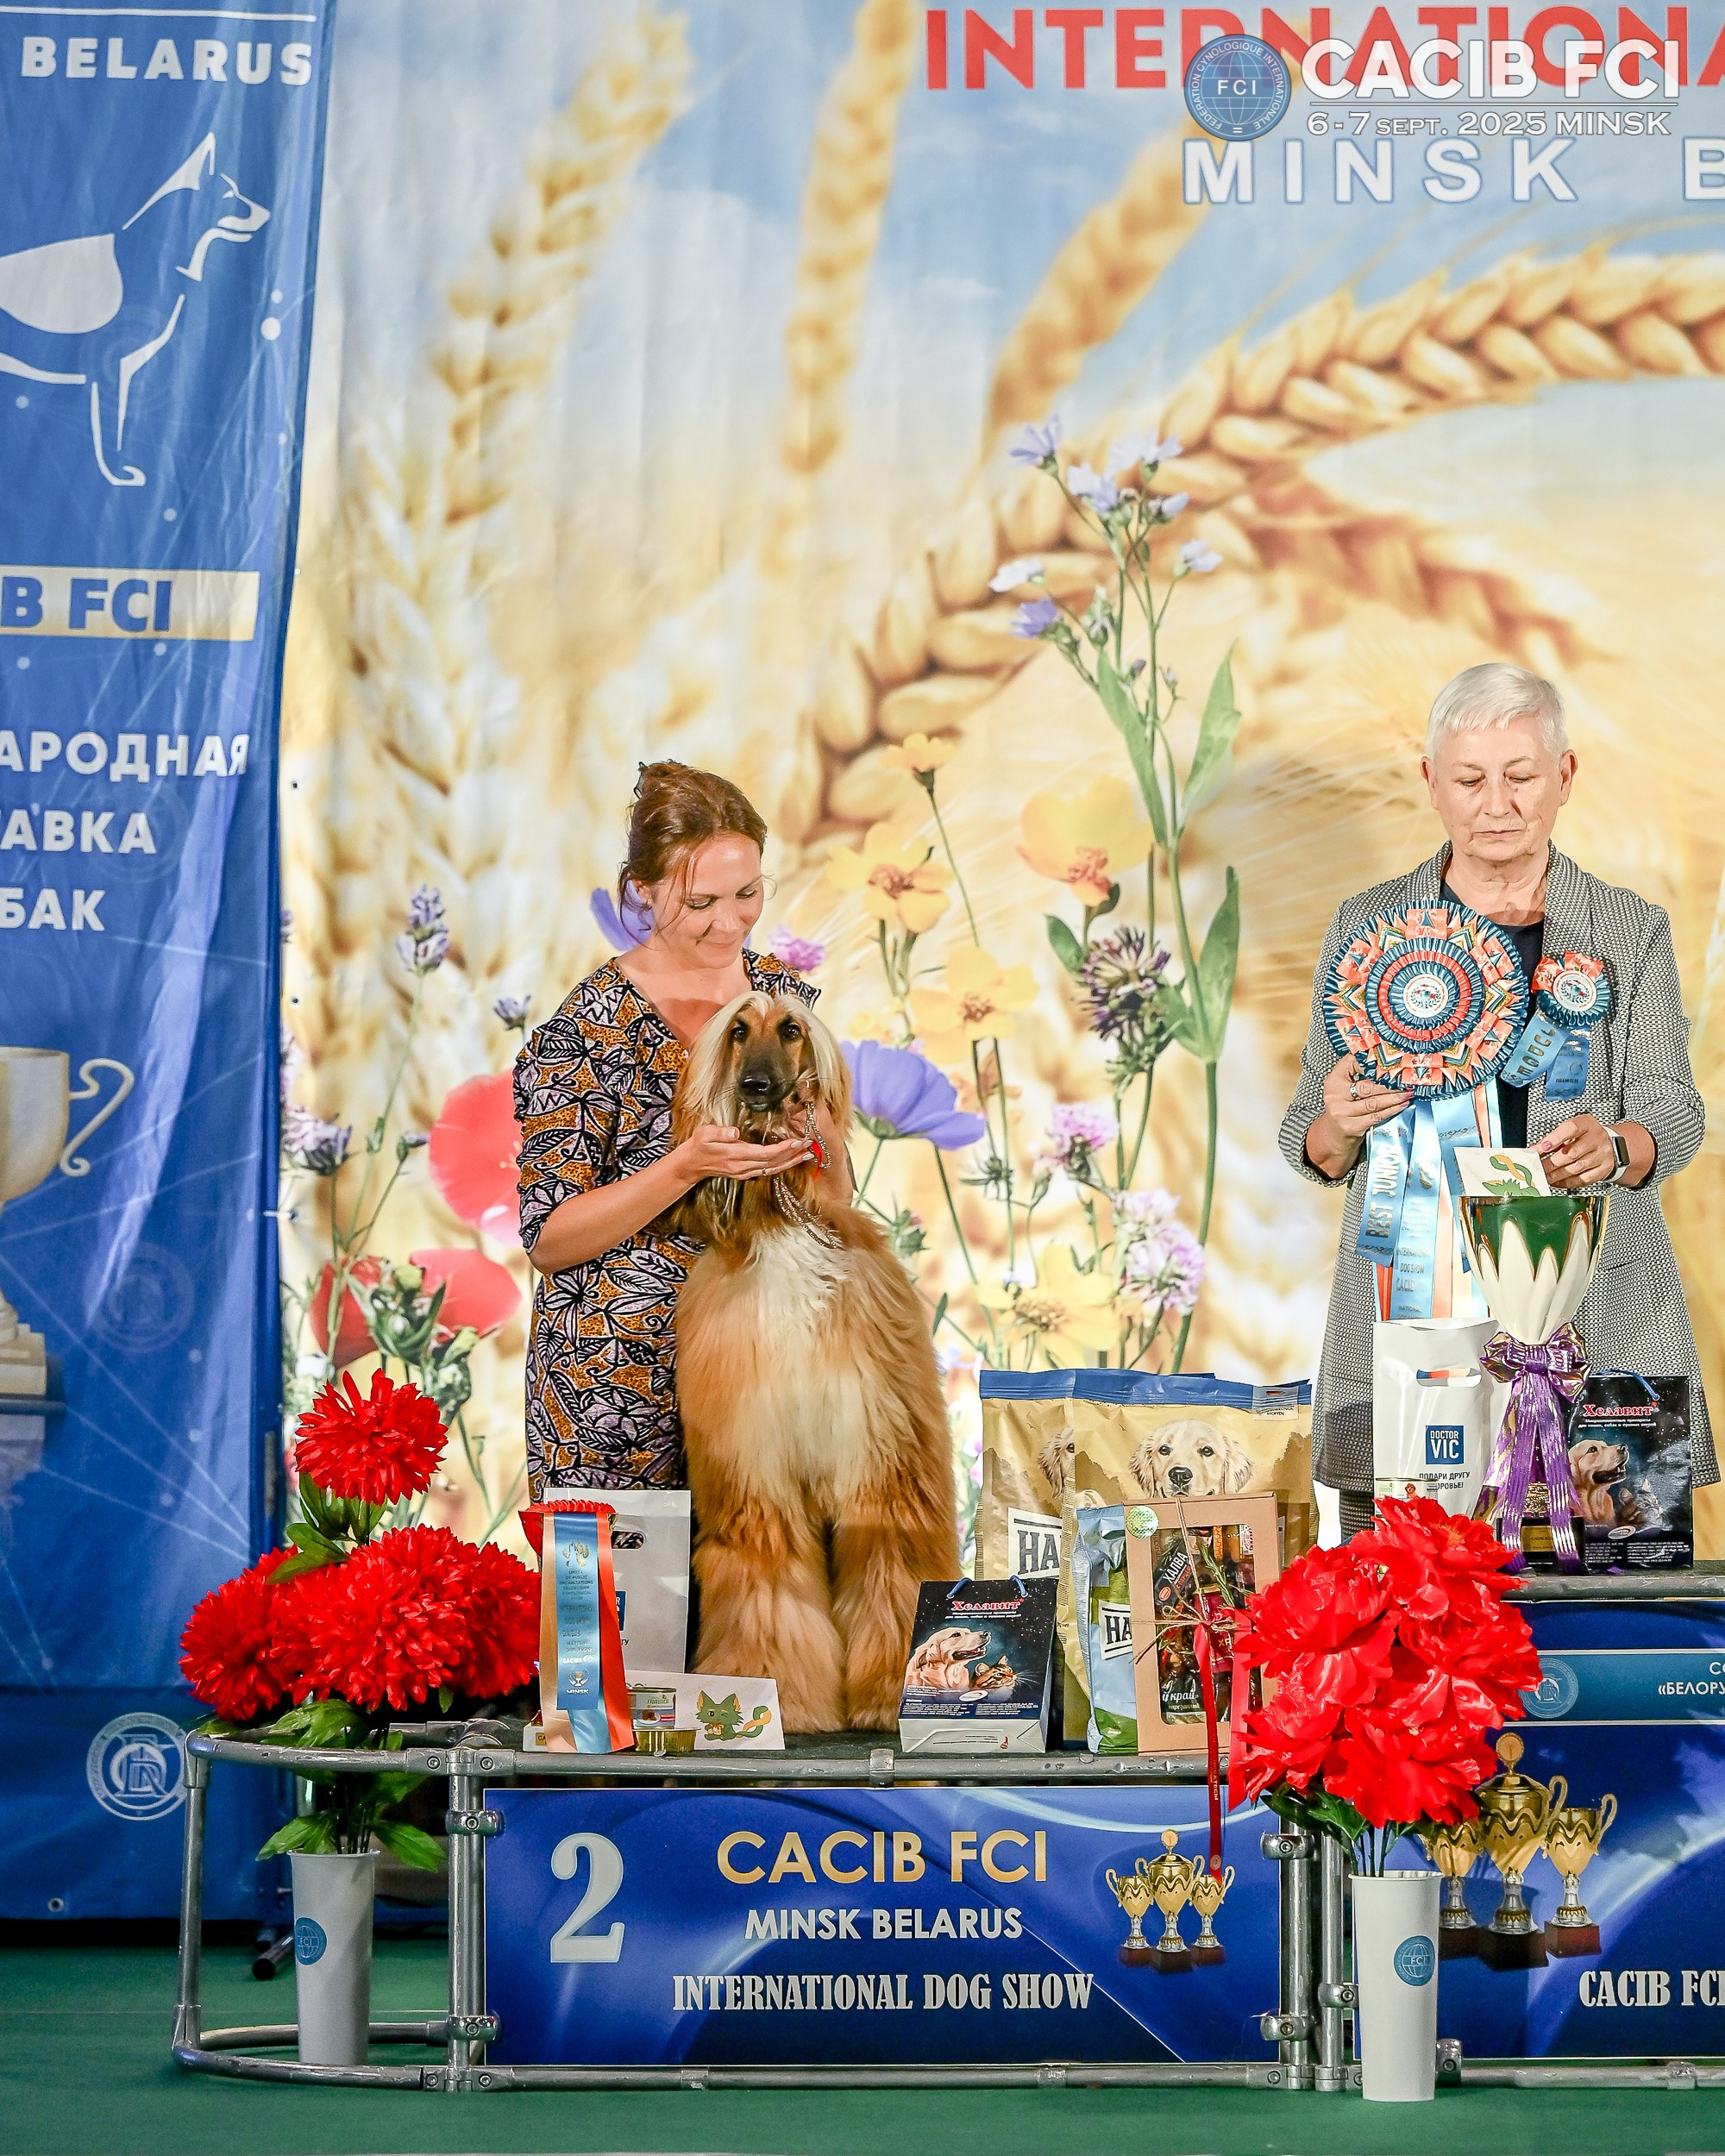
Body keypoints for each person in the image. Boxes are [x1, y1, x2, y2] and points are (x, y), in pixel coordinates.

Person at [1280, 662, 1716, 1535]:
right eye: (1470, 779)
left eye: (1519, 776)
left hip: (1595, 1312)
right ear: (1430, 784)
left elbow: (1673, 1107)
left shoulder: (1628, 929)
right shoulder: (1365, 925)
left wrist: (1621, 1142)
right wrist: (1342, 1121)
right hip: (1409, 1319)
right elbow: (1313, 1139)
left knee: (1613, 1604)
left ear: (1562, 777)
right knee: (1408, 1613)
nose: (1496, 802)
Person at [513, 761, 850, 1495]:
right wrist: (687, 1165)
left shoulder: (783, 1001)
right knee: (629, 1610)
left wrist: (816, 1140)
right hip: (621, 1388)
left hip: (769, 1375)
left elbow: (837, 1192)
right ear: (643, 890)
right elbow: (550, 1240)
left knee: (759, 1603)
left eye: (748, 893)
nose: (730, 922)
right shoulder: (590, 1027)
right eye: (700, 901)